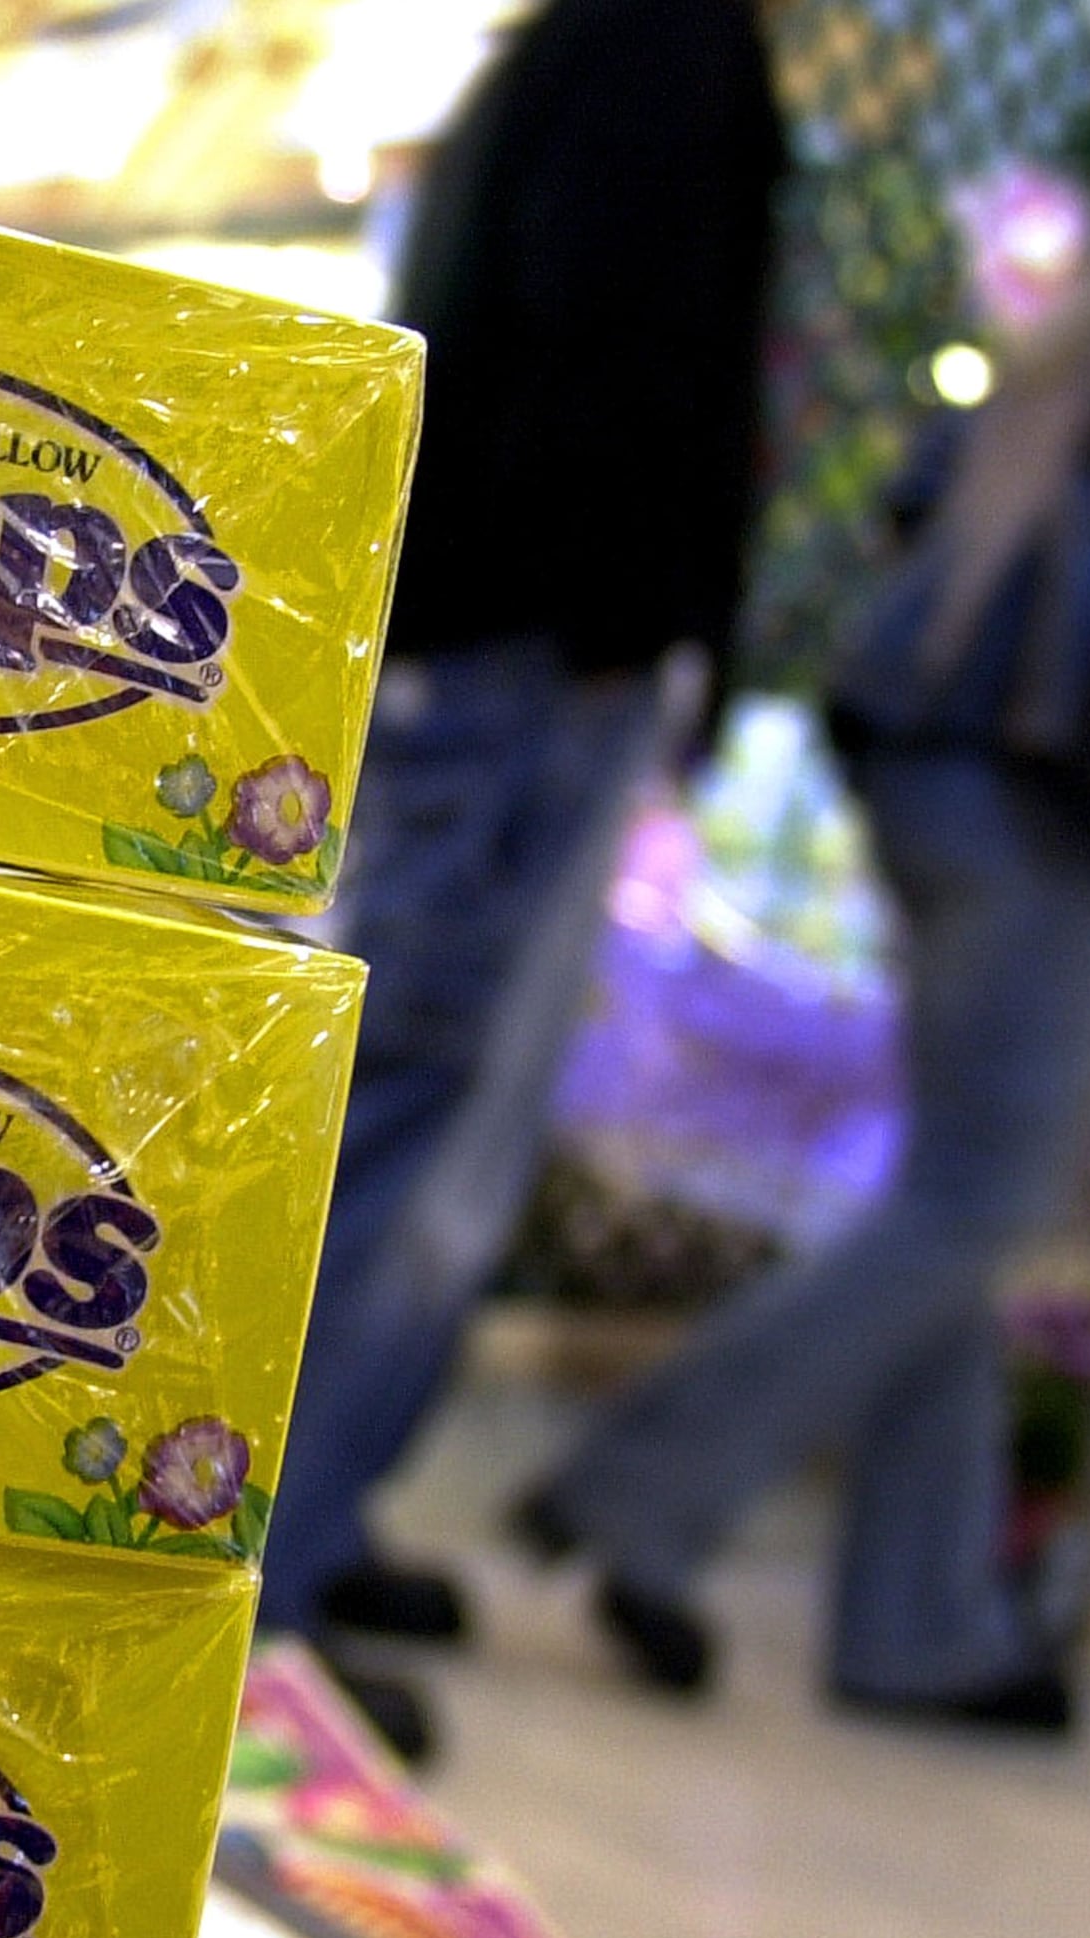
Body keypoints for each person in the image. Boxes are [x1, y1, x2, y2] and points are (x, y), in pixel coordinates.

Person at [511, 25, 1090, 1729]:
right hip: (1042, 775)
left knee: (951, 1196)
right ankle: (646, 1481)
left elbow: (928, 491)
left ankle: (919, 1626)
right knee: (985, 1197)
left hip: (927, 752)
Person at [257, 0, 786, 1765]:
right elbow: (620, 348)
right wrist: (632, 624)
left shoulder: (593, 41)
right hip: (535, 657)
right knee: (420, 1118)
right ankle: (266, 1579)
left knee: (436, 1117)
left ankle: (318, 1516)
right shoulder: (667, 43)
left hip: (501, 642)